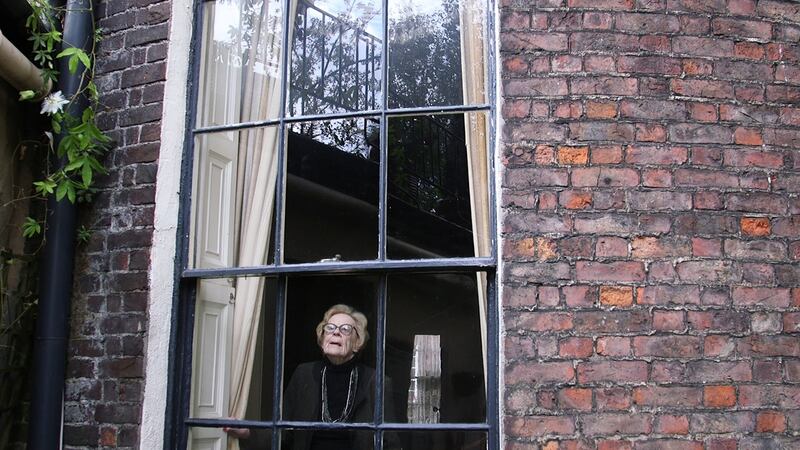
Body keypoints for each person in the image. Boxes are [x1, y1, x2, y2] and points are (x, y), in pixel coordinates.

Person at [227, 304, 398, 450]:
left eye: (345, 329)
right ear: (322, 338)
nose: (336, 333)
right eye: (330, 328)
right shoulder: (304, 374)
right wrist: (247, 431)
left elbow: (390, 442)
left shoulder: (377, 381)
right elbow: (284, 431)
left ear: (357, 343)